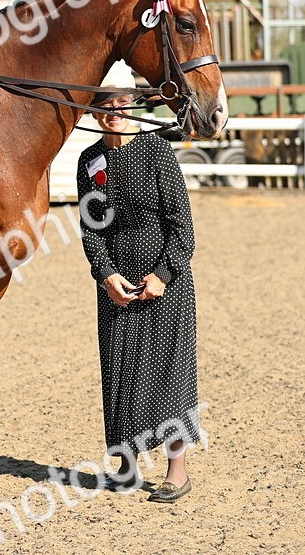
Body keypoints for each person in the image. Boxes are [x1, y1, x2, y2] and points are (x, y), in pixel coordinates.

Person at [76, 75, 202, 504]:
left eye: (123, 102)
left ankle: (176, 471)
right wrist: (106, 275)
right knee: (120, 372)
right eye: (105, 105)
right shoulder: (89, 161)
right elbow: (91, 229)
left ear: (134, 106)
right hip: (116, 282)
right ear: (93, 112)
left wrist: (162, 276)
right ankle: (126, 468)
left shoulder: (156, 151)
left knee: (168, 375)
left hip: (167, 282)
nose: (114, 112)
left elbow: (183, 228)